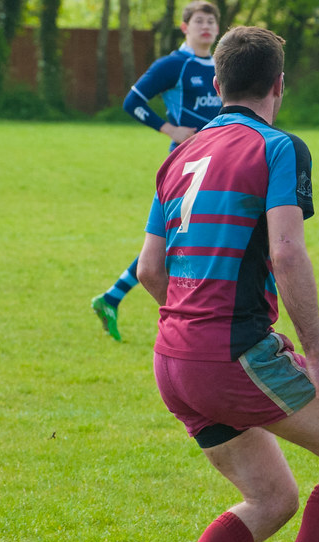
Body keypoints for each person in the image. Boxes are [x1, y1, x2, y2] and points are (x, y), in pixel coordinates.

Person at [118, 26, 319, 542]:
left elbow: (150, 270)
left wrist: (193, 326)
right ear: (279, 86)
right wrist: (316, 357)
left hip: (171, 358)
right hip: (230, 352)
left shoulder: (180, 154)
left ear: (216, 84)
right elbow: (287, 253)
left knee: (273, 497)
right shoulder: (278, 147)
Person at [91, 1, 223, 342]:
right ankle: (196, 317)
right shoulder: (174, 65)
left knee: (176, 239)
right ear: (185, 27)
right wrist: (170, 129)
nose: (206, 26)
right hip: (186, 165)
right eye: (199, 21)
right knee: (175, 239)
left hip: (218, 162)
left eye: (211, 21)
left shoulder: (223, 65)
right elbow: (132, 101)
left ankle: (113, 297)